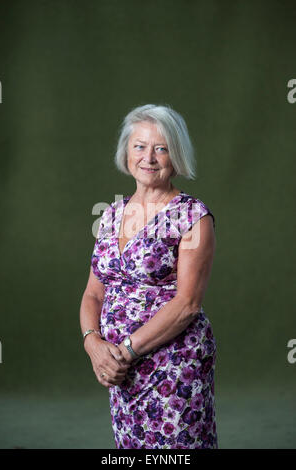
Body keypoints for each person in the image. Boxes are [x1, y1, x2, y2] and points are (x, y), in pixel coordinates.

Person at [79, 104, 218, 449]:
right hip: (120, 373)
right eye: (139, 146)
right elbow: (93, 294)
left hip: (172, 366)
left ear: (177, 155)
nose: (149, 157)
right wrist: (94, 345)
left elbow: (187, 304)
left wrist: (122, 352)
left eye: (162, 148)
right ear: (126, 151)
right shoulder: (111, 214)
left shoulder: (192, 216)